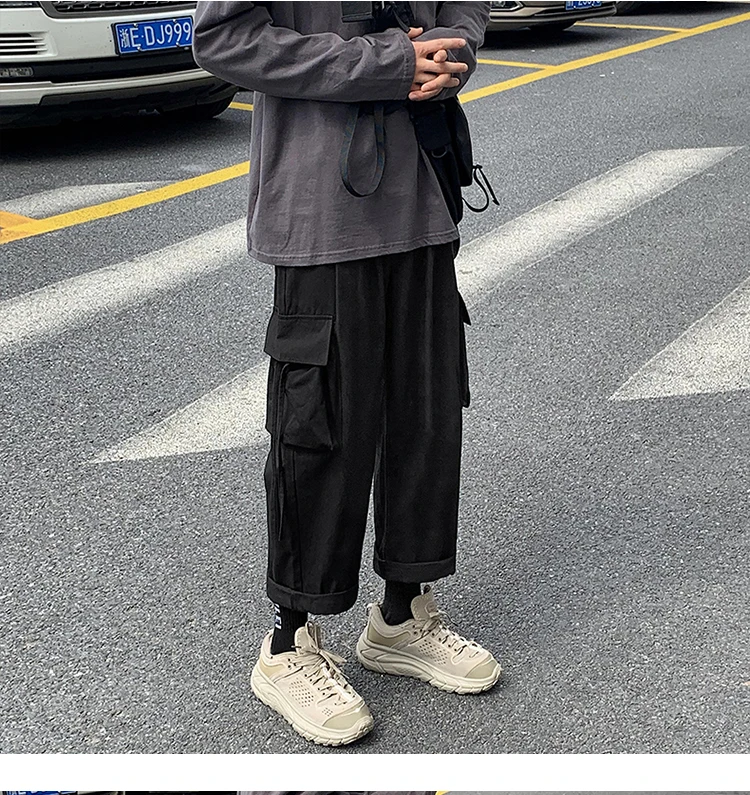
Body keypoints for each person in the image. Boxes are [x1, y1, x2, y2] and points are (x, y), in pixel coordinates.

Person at [193, 1, 500, 747]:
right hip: (320, 209)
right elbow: (223, 38)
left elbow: (465, 8)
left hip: (424, 198)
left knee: (425, 412)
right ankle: (288, 643)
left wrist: (451, 51)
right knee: (320, 426)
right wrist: (388, 64)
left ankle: (401, 615)